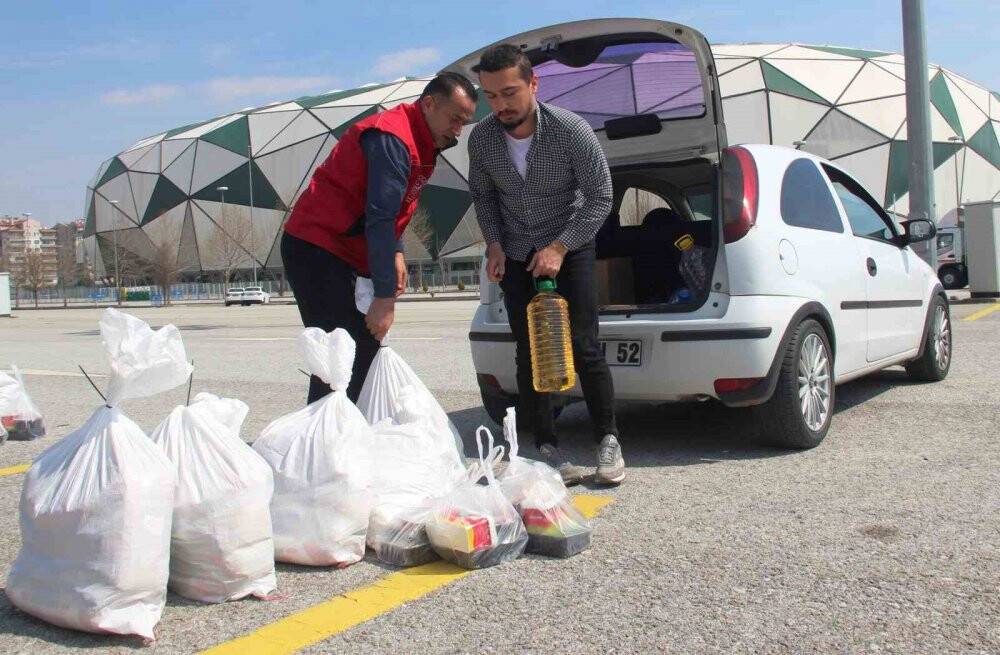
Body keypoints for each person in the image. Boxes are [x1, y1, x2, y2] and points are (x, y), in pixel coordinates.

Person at [467, 44, 624, 486]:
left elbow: (601, 197)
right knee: (530, 350)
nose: (500, 105)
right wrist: (494, 244)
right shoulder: (482, 140)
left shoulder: (571, 130)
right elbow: (484, 196)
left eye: (509, 93)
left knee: (584, 345)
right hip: (516, 252)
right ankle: (546, 448)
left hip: (570, 247)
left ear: (534, 84)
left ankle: (608, 440)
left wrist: (559, 247)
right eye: (491, 96)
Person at [282, 73, 477, 404]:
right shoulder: (392, 138)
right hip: (318, 247)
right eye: (455, 119)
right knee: (339, 354)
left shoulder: (421, 138)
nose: (458, 130)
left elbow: (393, 207)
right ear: (430, 104)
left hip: (346, 248)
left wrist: (396, 251)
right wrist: (385, 299)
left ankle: (348, 425)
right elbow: (380, 218)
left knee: (362, 348)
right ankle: (324, 432)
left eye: (464, 122)